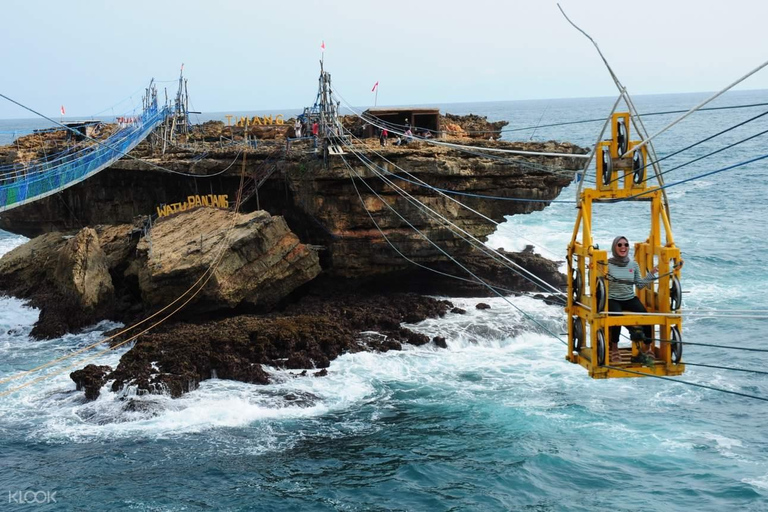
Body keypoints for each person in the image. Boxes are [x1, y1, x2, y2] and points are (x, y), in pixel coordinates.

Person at [606, 236, 657, 363]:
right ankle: (614, 348)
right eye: (619, 245)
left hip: (629, 298)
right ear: (614, 247)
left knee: (647, 317)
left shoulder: (633, 264)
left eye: (626, 245)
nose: (623, 247)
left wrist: (651, 274)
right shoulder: (607, 264)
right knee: (617, 318)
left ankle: (647, 347)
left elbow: (639, 284)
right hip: (613, 298)